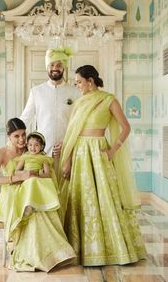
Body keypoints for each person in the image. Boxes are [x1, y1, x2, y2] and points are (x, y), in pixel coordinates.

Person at [59, 65, 147, 266]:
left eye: (79, 82)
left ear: (90, 81)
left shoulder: (108, 100)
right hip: (80, 152)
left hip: (99, 153)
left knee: (105, 198)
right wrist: (68, 160)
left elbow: (126, 127)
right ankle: (80, 249)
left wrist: (113, 150)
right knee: (81, 198)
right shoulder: (80, 103)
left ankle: (111, 249)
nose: (78, 86)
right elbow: (72, 133)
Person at [0, 118, 76, 272]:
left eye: (23, 134)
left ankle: (50, 253)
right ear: (8, 136)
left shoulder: (31, 149)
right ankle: (33, 254)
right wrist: (17, 178)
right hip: (10, 192)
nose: (22, 139)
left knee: (38, 206)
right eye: (16, 136)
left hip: (31, 191)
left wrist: (56, 157)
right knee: (34, 208)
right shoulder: (1, 152)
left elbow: (47, 171)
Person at [20, 45, 80, 156]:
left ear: (64, 67)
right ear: (47, 67)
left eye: (59, 65)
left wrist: (67, 143)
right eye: (52, 65)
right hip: (42, 150)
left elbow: (79, 122)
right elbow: (25, 118)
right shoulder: (36, 92)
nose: (55, 68)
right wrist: (14, 138)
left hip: (68, 149)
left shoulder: (75, 92)